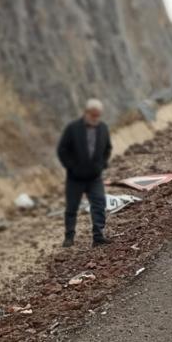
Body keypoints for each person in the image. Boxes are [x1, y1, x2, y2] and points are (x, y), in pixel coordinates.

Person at [57, 99, 113, 248]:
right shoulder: (73, 128)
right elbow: (62, 150)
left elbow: (107, 148)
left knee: (99, 204)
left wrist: (102, 164)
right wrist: (72, 167)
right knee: (72, 208)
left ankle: (98, 236)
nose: (95, 118)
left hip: (95, 177)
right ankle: (69, 237)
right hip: (75, 178)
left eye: (98, 115)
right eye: (93, 115)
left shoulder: (103, 129)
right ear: (86, 113)